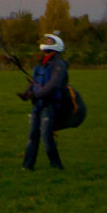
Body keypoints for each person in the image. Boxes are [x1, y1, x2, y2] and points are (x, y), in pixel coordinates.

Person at [19, 32, 68, 171]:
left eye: (50, 41)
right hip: (38, 105)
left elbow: (53, 85)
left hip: (50, 106)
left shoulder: (58, 65)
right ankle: (27, 166)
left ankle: (56, 165)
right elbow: (34, 82)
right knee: (32, 136)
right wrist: (27, 93)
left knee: (46, 137)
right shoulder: (41, 64)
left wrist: (38, 93)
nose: (47, 42)